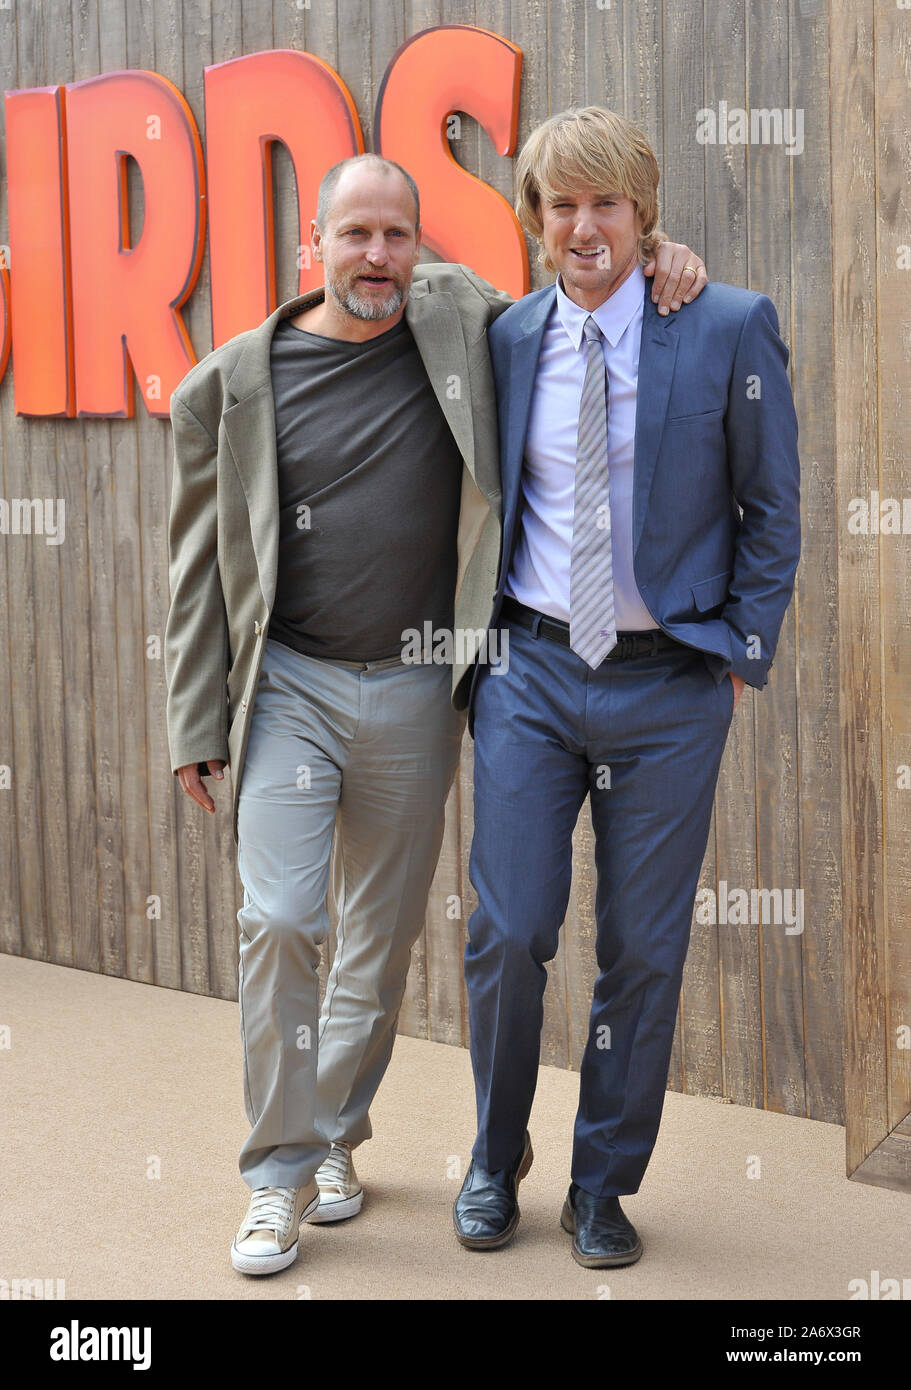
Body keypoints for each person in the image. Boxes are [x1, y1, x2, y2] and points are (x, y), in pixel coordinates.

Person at [164, 151, 707, 1276]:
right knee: (279, 920)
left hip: (418, 684)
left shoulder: (462, 319)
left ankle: (333, 1140)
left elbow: (580, 281)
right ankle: (276, 1173)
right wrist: (193, 722)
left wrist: (654, 254)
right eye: (354, 235)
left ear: (423, 244)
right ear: (314, 242)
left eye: (396, 236)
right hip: (292, 690)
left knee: (376, 937)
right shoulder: (230, 382)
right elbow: (196, 572)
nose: (376, 258)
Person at [453, 106, 800, 1268]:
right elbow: (378, 296)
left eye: (607, 203)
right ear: (533, 217)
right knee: (508, 928)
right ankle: (493, 1159)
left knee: (642, 951)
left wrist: (737, 654)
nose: (584, 224)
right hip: (532, 672)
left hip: (668, 691)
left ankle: (603, 1183)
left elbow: (773, 513)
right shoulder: (503, 337)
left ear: (646, 215)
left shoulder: (726, 326)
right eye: (561, 203)